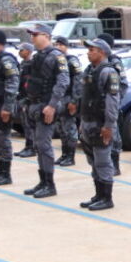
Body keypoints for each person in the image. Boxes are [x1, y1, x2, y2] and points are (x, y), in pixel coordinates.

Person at [22, 24, 69, 198]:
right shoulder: (37, 56)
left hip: (47, 106)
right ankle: (43, 181)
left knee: (44, 145)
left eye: (35, 35)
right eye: (31, 35)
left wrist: (52, 105)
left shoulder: (56, 56)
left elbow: (63, 82)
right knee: (38, 145)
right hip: (35, 105)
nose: (32, 38)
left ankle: (49, 184)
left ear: (46, 36)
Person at [77, 38, 120, 211]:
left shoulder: (109, 72)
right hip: (88, 122)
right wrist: (82, 122)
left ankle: (107, 198)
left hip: (101, 124)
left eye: (92, 50)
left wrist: (109, 125)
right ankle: (98, 195)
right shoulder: (89, 70)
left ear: (102, 52)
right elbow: (84, 98)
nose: (88, 53)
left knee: (103, 161)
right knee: (93, 161)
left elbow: (112, 101)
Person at [0, 29, 19, 186]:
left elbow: (13, 82)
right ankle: (0, 170)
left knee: (2, 139)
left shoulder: (6, 60)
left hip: (1, 106)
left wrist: (7, 107)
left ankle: (5, 174)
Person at [97, 33, 127, 177]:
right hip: (98, 109)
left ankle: (115, 165)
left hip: (111, 106)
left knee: (114, 136)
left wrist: (115, 103)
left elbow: (123, 85)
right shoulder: (96, 64)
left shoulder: (115, 62)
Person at [52, 36, 82, 167]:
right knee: (61, 128)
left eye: (61, 44)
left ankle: (71, 156)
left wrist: (74, 101)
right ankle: (64, 154)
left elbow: (78, 81)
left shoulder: (72, 61)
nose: (58, 47)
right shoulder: (57, 60)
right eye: (56, 44)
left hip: (69, 98)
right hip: (59, 99)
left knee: (69, 128)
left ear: (66, 46)